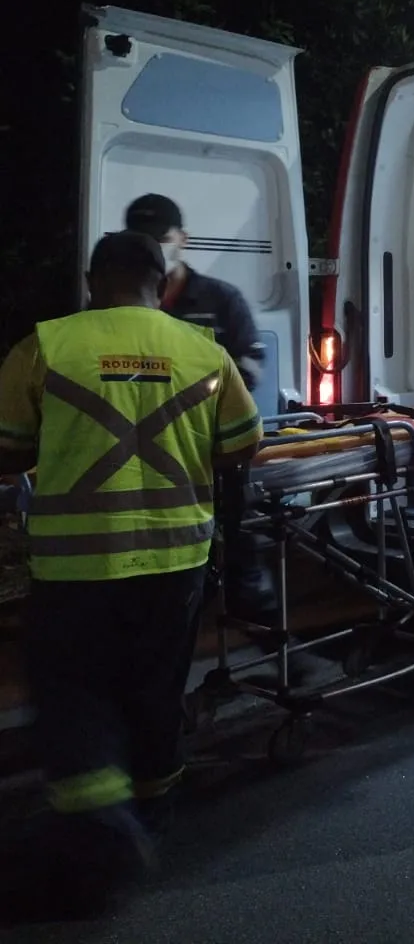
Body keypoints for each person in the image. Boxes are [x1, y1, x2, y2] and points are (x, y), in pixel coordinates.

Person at [0, 231, 262, 917]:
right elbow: (244, 445)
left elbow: (8, 447)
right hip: (175, 562)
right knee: (154, 687)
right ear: (158, 278)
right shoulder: (204, 352)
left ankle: (94, 827)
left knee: (76, 689)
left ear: (93, 281)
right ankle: (152, 815)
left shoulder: (48, 345)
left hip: (78, 564)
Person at [124, 193, 279, 622]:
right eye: (142, 239)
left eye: (162, 238)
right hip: (133, 444)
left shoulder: (219, 298)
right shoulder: (113, 305)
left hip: (204, 440)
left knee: (234, 515)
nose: (155, 248)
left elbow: (247, 368)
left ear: (183, 239)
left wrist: (189, 404)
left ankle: (249, 593)